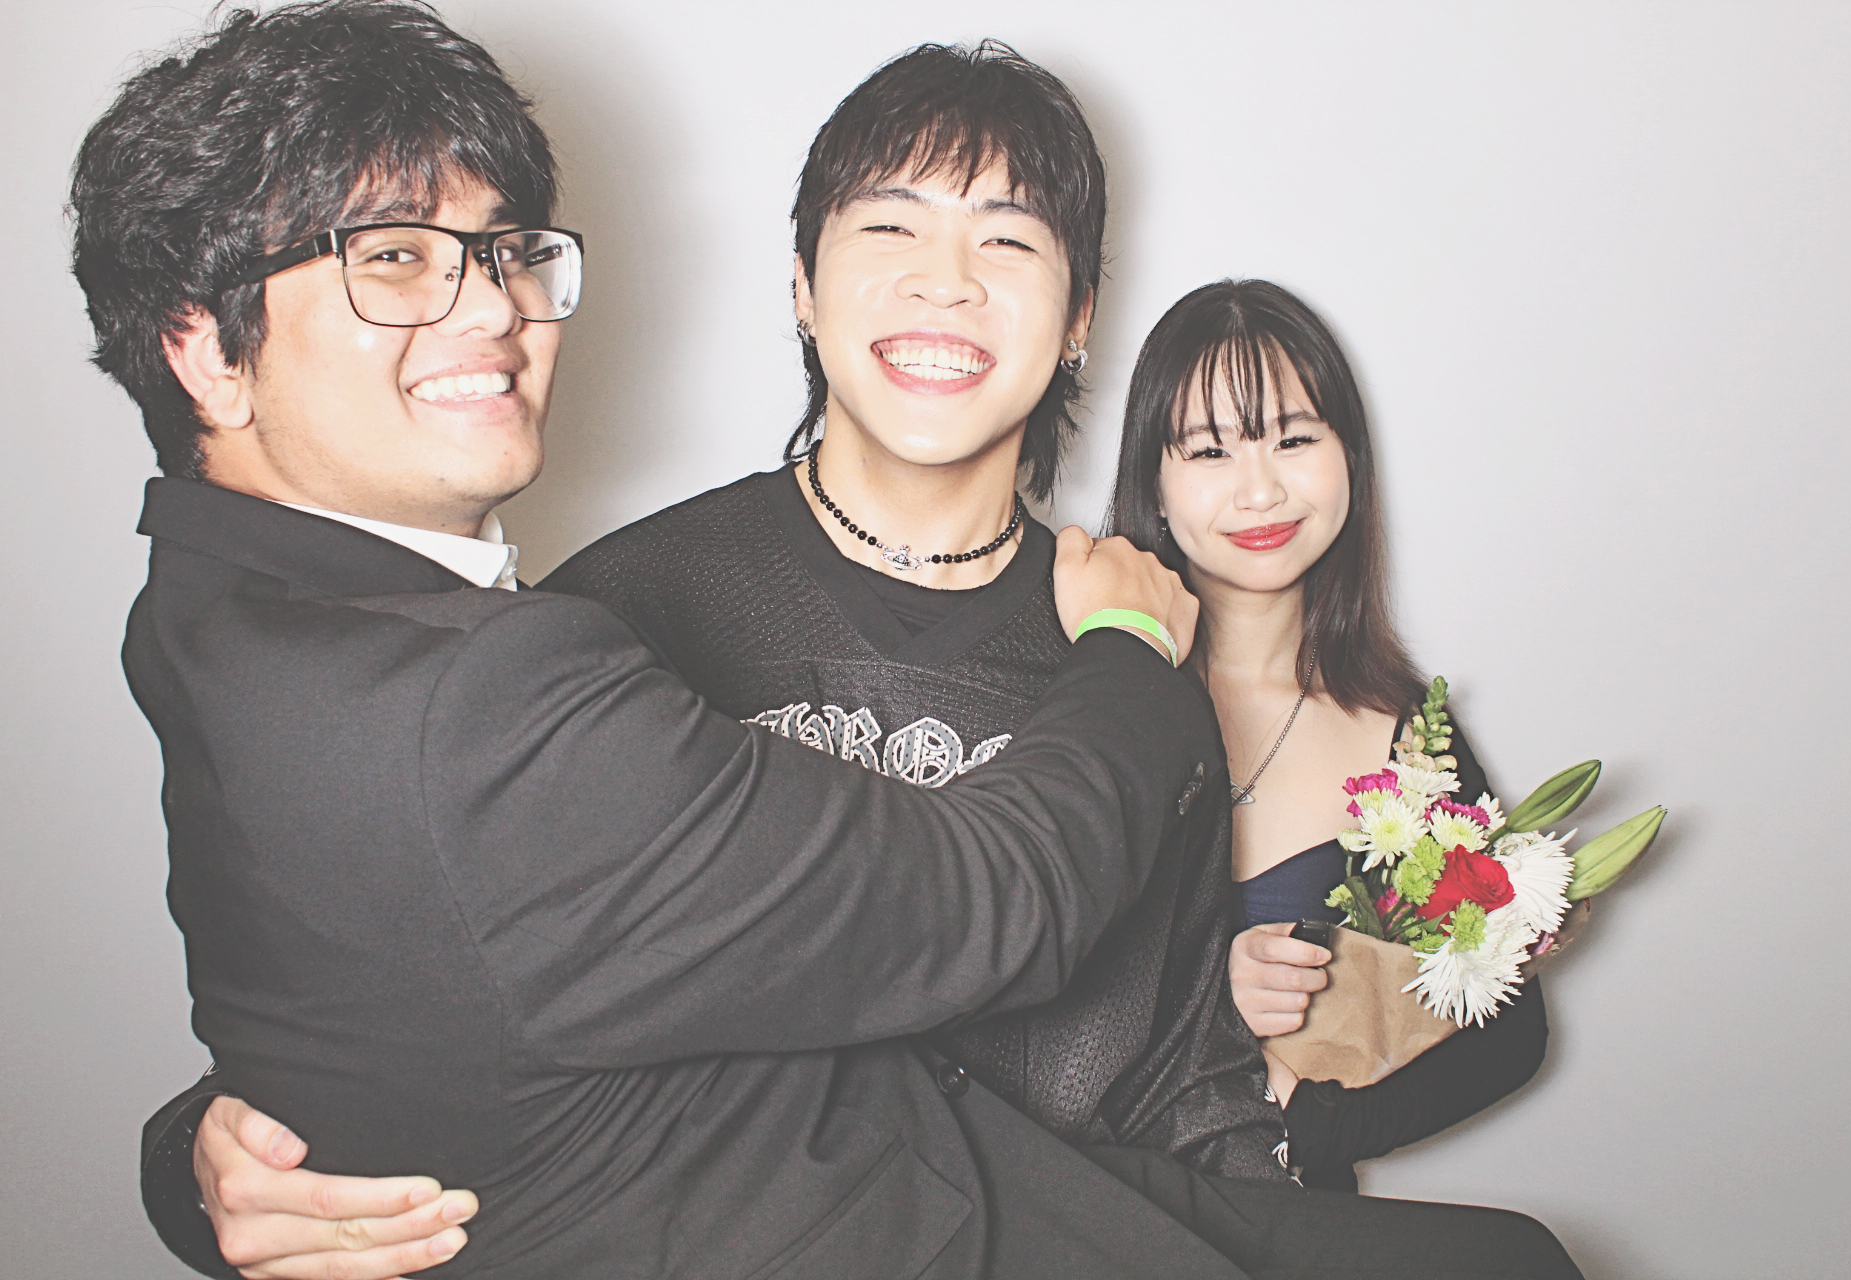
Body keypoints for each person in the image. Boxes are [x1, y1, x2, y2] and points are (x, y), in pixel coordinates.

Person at [92, 6, 1581, 1277]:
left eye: (1009, 238)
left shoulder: (1145, 636)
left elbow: (1191, 1072)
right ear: (800, 287)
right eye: (890, 227)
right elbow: (416, 982)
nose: (948, 280)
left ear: (1079, 320)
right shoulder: (604, 617)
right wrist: (206, 1156)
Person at [1109, 279, 1555, 1191]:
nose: (1260, 489)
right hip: (1090, 1212)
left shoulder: (1409, 734)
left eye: (1294, 439)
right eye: (1210, 449)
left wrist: (1311, 1125)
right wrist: (1207, 1004)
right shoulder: (1081, 688)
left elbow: (1512, 1033)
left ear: (1349, 454)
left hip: (1288, 1220)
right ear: (1153, 479)